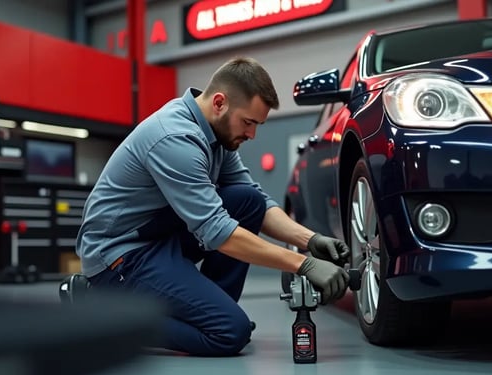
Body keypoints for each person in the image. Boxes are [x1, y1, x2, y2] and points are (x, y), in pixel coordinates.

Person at [75, 56, 350, 357]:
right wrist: (303, 263)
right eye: (248, 123)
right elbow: (218, 232)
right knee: (229, 333)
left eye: (257, 125)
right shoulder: (174, 138)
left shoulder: (217, 135)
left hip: (157, 237)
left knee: (247, 201)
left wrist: (310, 240)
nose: (252, 135)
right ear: (219, 103)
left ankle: (208, 311)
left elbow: (255, 201)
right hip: (121, 256)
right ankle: (107, 316)